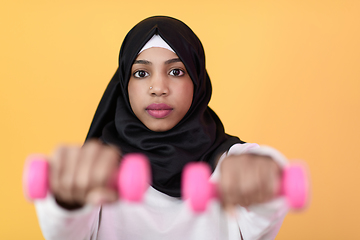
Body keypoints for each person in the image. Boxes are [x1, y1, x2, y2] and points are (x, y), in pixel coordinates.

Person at [34, 16, 289, 240]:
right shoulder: (96, 169)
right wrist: (66, 200)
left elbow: (267, 200)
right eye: (141, 73)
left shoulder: (236, 164)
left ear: (197, 80)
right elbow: (64, 233)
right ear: (125, 84)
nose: (158, 88)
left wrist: (264, 179)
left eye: (176, 71)